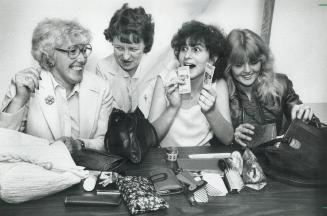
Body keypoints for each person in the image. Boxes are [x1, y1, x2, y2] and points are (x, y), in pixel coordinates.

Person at [0, 18, 113, 153]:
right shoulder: (26, 83)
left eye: (84, 50)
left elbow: (105, 143)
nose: (82, 59)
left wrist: (79, 145)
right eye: (73, 51)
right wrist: (19, 99)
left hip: (83, 170)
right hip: (38, 169)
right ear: (50, 55)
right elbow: (4, 143)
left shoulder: (101, 88)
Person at [148, 20, 234, 147]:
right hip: (166, 158)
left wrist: (211, 111)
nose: (187, 55)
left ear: (212, 59)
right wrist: (172, 107)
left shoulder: (218, 85)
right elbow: (149, 140)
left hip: (201, 159)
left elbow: (227, 139)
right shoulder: (165, 80)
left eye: (196, 49)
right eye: (184, 48)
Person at [225, 29, 314, 147]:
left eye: (253, 62)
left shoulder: (281, 84)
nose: (247, 70)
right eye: (239, 65)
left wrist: (306, 119)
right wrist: (232, 138)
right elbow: (214, 141)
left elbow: (314, 129)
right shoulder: (221, 91)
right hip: (239, 160)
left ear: (262, 60)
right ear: (228, 66)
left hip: (277, 159)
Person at [96, 3, 155, 115]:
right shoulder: (103, 68)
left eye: (133, 49)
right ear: (112, 42)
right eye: (119, 48)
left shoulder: (156, 67)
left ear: (145, 45)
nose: (125, 56)